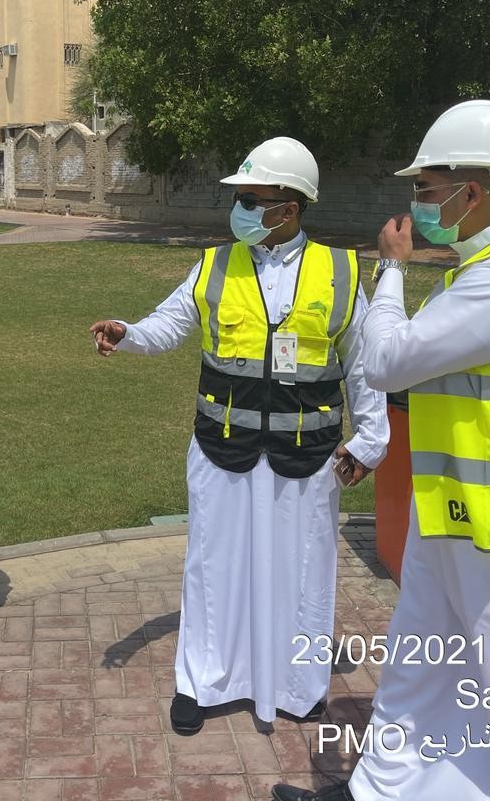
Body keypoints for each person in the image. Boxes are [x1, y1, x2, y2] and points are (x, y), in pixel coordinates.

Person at [272, 101, 490, 800]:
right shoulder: (481, 269)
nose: (415, 205)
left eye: (425, 188)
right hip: (454, 516)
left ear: (471, 192)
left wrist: (391, 271)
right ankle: (379, 790)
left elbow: (386, 360)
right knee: (419, 667)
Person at [91, 138, 389, 732]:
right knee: (213, 567)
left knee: (304, 571)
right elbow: (169, 323)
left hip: (307, 454)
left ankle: (298, 688)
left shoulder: (341, 271)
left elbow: (363, 364)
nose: (241, 210)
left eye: (253, 200)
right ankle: (201, 682)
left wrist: (369, 441)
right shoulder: (214, 264)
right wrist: (128, 332)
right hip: (222, 448)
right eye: (241, 199)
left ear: (290, 207)